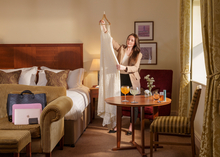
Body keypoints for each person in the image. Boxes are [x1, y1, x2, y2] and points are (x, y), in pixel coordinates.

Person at [100, 20, 142, 135]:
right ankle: (117, 125)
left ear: (135, 42)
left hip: (132, 81)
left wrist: (124, 67)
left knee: (134, 105)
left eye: (132, 40)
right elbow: (110, 41)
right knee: (119, 103)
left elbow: (136, 68)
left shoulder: (138, 53)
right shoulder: (122, 48)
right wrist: (104, 27)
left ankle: (131, 126)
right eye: (128, 39)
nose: (129, 41)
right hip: (120, 80)